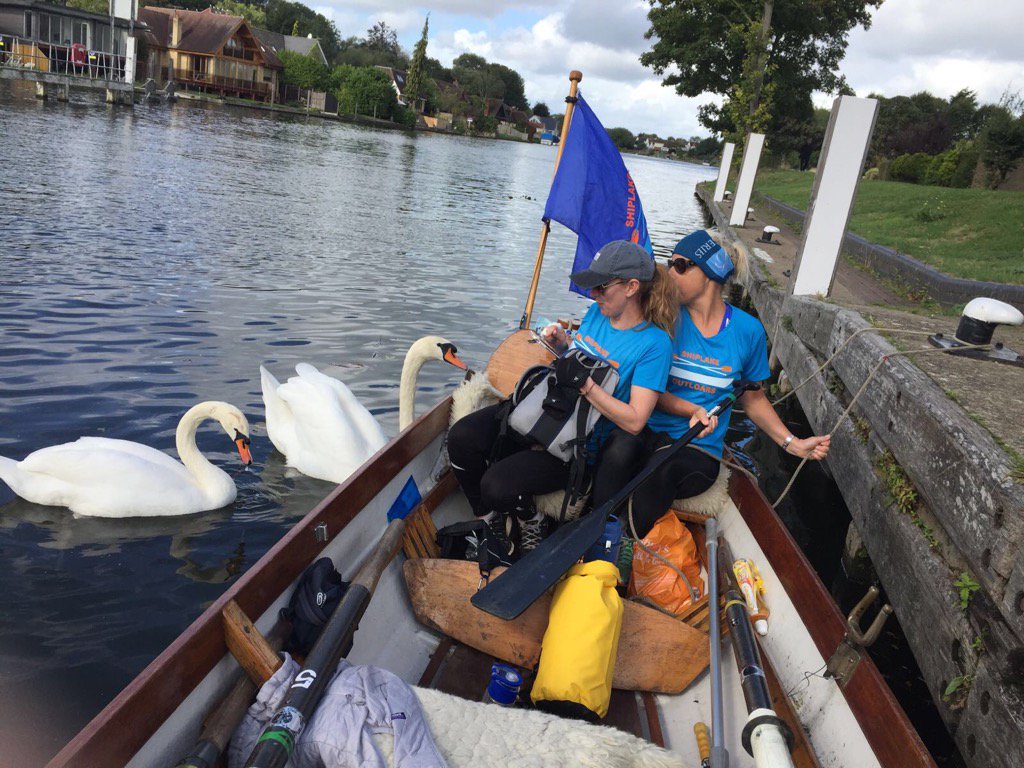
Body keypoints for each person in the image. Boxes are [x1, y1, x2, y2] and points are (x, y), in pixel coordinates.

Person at [447, 240, 676, 563]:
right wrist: (562, 345)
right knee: (461, 439)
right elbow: (577, 360)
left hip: (574, 445)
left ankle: (532, 521)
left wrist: (587, 386)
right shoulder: (598, 314)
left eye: (601, 286)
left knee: (494, 486)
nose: (594, 294)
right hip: (543, 411)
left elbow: (637, 419)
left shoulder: (654, 345)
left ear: (631, 287)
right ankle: (490, 523)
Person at [593, 229, 831, 539]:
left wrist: (792, 443)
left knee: (661, 470)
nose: (668, 273)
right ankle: (595, 536)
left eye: (679, 266)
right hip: (647, 429)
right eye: (668, 263)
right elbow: (644, 386)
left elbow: (754, 399)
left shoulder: (748, 331)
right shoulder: (663, 317)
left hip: (697, 447)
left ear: (709, 272)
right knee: (616, 453)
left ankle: (626, 546)